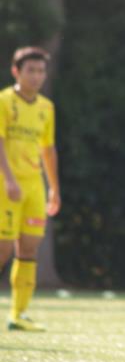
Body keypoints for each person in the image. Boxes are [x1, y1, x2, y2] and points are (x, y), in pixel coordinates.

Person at [0, 47, 61, 332]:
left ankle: (18, 314)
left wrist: (54, 188)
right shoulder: (4, 101)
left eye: (40, 71)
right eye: (31, 70)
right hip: (6, 184)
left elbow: (48, 149)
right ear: (16, 72)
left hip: (34, 186)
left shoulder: (46, 108)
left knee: (29, 248)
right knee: (2, 249)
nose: (36, 76)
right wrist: (8, 179)